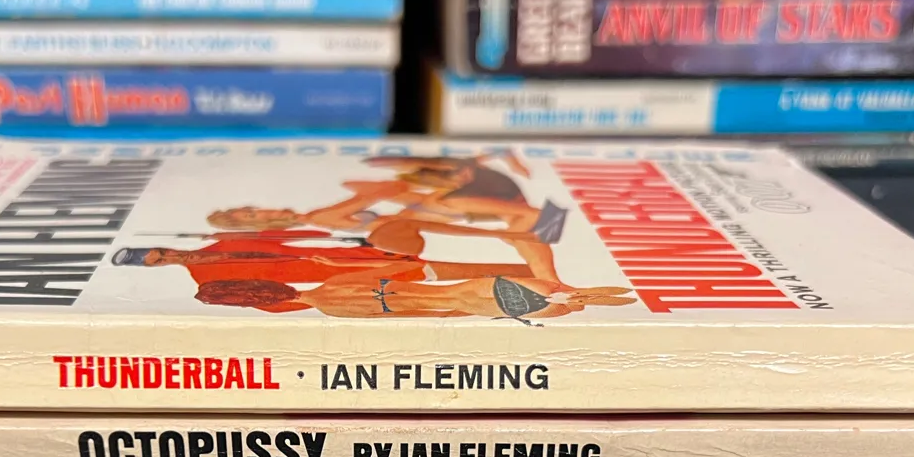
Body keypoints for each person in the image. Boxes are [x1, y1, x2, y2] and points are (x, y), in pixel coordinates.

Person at [203, 151, 568, 279]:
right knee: (499, 219)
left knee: (513, 228)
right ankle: (540, 235)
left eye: (253, 208)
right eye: (254, 214)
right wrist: (382, 186)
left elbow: (381, 199)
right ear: (260, 223)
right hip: (408, 225)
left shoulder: (318, 218)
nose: (263, 209)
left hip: (410, 220)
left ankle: (542, 257)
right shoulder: (319, 217)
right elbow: (378, 195)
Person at [187, 274, 636, 324]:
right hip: (474, 288)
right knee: (571, 294)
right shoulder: (332, 285)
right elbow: (407, 280)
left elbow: (414, 308)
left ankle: (620, 299)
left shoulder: (330, 307)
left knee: (570, 304)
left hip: (471, 303)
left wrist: (452, 314)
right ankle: (624, 295)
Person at [111, 243, 539, 287]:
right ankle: (541, 280)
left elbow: (295, 240)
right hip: (344, 277)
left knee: (455, 267)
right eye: (160, 262)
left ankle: (542, 274)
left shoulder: (224, 242)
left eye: (162, 251)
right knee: (449, 278)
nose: (171, 257)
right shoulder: (206, 279)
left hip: (355, 257)